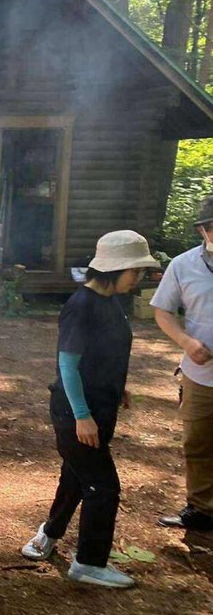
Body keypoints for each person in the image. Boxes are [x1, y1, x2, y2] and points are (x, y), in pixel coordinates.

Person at [21, 230, 159, 588]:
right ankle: (89, 563)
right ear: (116, 269)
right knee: (104, 486)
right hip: (75, 413)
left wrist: (118, 386)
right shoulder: (81, 306)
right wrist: (82, 415)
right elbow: (68, 366)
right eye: (136, 271)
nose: (139, 278)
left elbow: (103, 354)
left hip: (99, 407)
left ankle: (49, 534)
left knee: (77, 475)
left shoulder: (112, 299)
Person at [152, 195, 213, 533]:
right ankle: (202, 510)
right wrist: (187, 343)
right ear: (204, 230)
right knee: (198, 443)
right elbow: (163, 311)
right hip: (200, 374)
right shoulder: (183, 265)